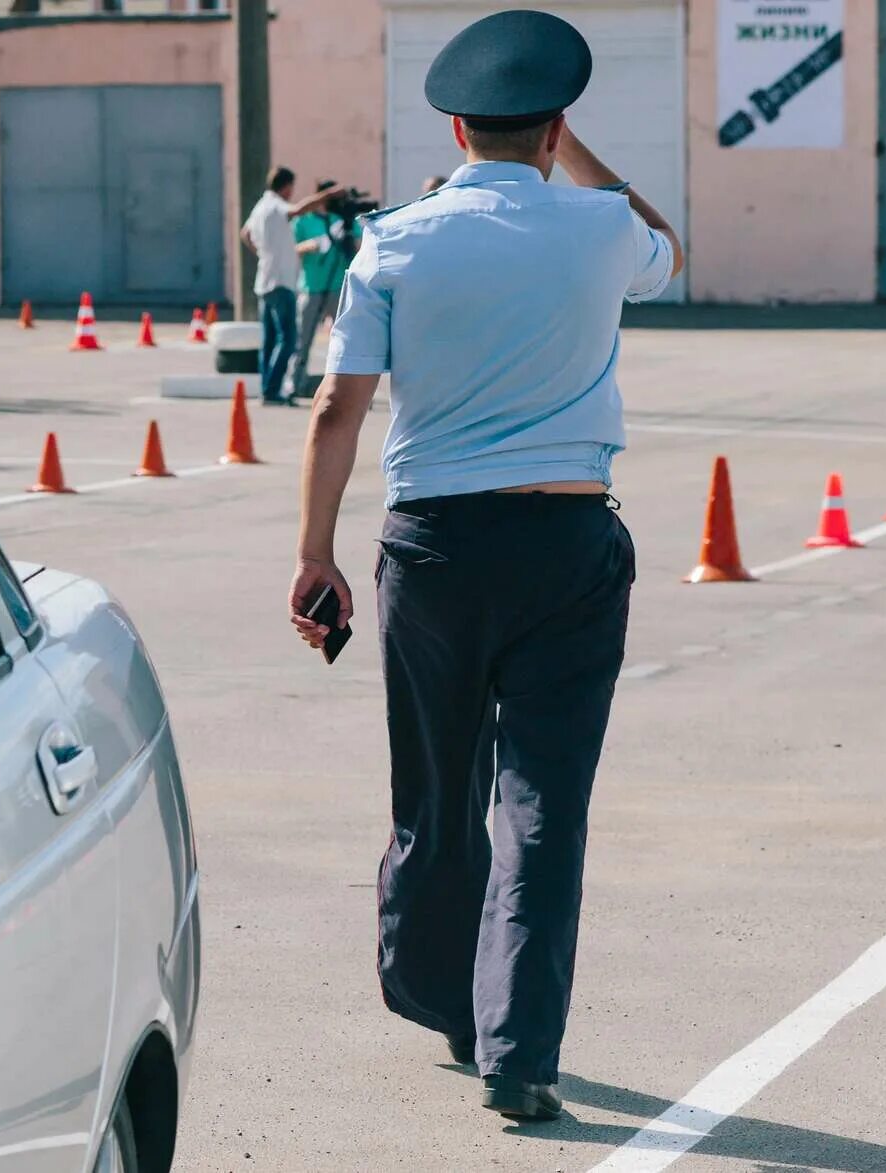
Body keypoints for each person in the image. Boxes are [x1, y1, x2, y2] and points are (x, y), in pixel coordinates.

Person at [286, 9, 681, 1124]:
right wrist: (576, 158)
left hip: (432, 548)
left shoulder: (395, 240)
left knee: (435, 791)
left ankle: (446, 1002)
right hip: (565, 543)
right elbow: (662, 242)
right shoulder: (595, 230)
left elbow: (334, 407)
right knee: (543, 804)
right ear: (552, 129)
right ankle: (520, 1053)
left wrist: (314, 555)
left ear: (453, 128)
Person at [241, 166, 339, 404]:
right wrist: (327, 196)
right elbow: (297, 210)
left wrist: (266, 255)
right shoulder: (276, 205)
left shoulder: (261, 207)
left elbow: (245, 234)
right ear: (286, 187)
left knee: (270, 339)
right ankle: (274, 390)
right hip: (281, 282)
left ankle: (267, 389)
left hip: (265, 279)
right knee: (288, 338)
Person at [290, 179, 353, 401]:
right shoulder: (303, 221)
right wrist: (312, 245)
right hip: (311, 286)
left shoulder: (342, 220)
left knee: (344, 339)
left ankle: (341, 388)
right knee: (302, 339)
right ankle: (296, 383)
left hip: (337, 286)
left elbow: (357, 247)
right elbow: (292, 249)